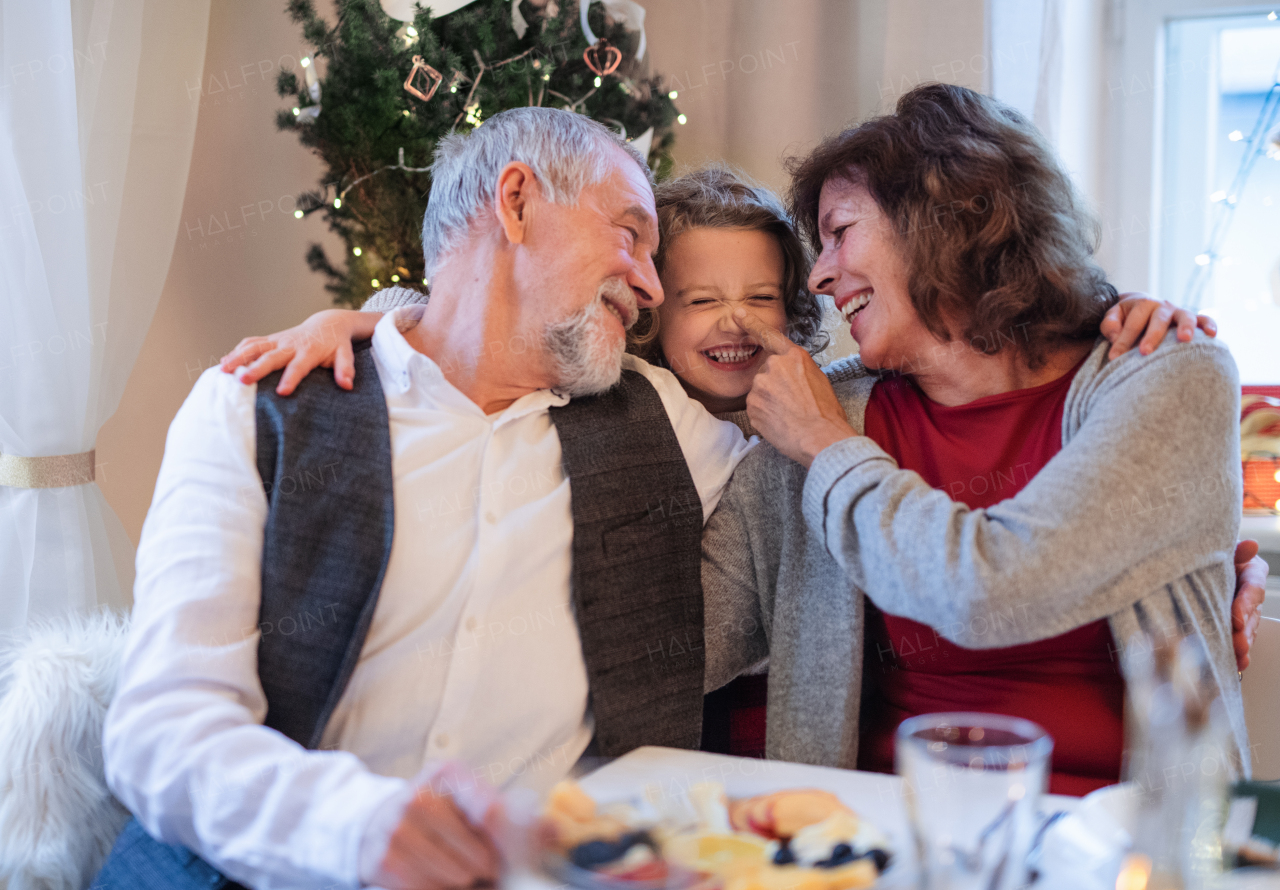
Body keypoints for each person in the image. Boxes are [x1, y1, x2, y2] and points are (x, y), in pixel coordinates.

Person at [223, 166, 1236, 768]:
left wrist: (1201, 548)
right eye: (696, 297)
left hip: (1107, 828)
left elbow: (1002, 569)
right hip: (782, 785)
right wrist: (387, 314)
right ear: (646, 309)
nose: (743, 318)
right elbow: (504, 342)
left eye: (829, 243)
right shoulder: (652, 403)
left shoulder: (806, 409)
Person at [97, 108, 756, 890]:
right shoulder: (252, 409)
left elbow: (814, 466)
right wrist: (358, 828)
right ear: (515, 201)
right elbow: (162, 730)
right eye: (629, 234)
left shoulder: (663, 424)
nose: (650, 287)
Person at [701, 83, 1263, 794]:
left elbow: (991, 594)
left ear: (944, 218)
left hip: (1116, 843)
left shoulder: (1168, 374)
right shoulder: (830, 406)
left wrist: (824, 448)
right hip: (877, 835)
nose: (817, 277)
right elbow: (688, 643)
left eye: (840, 231)